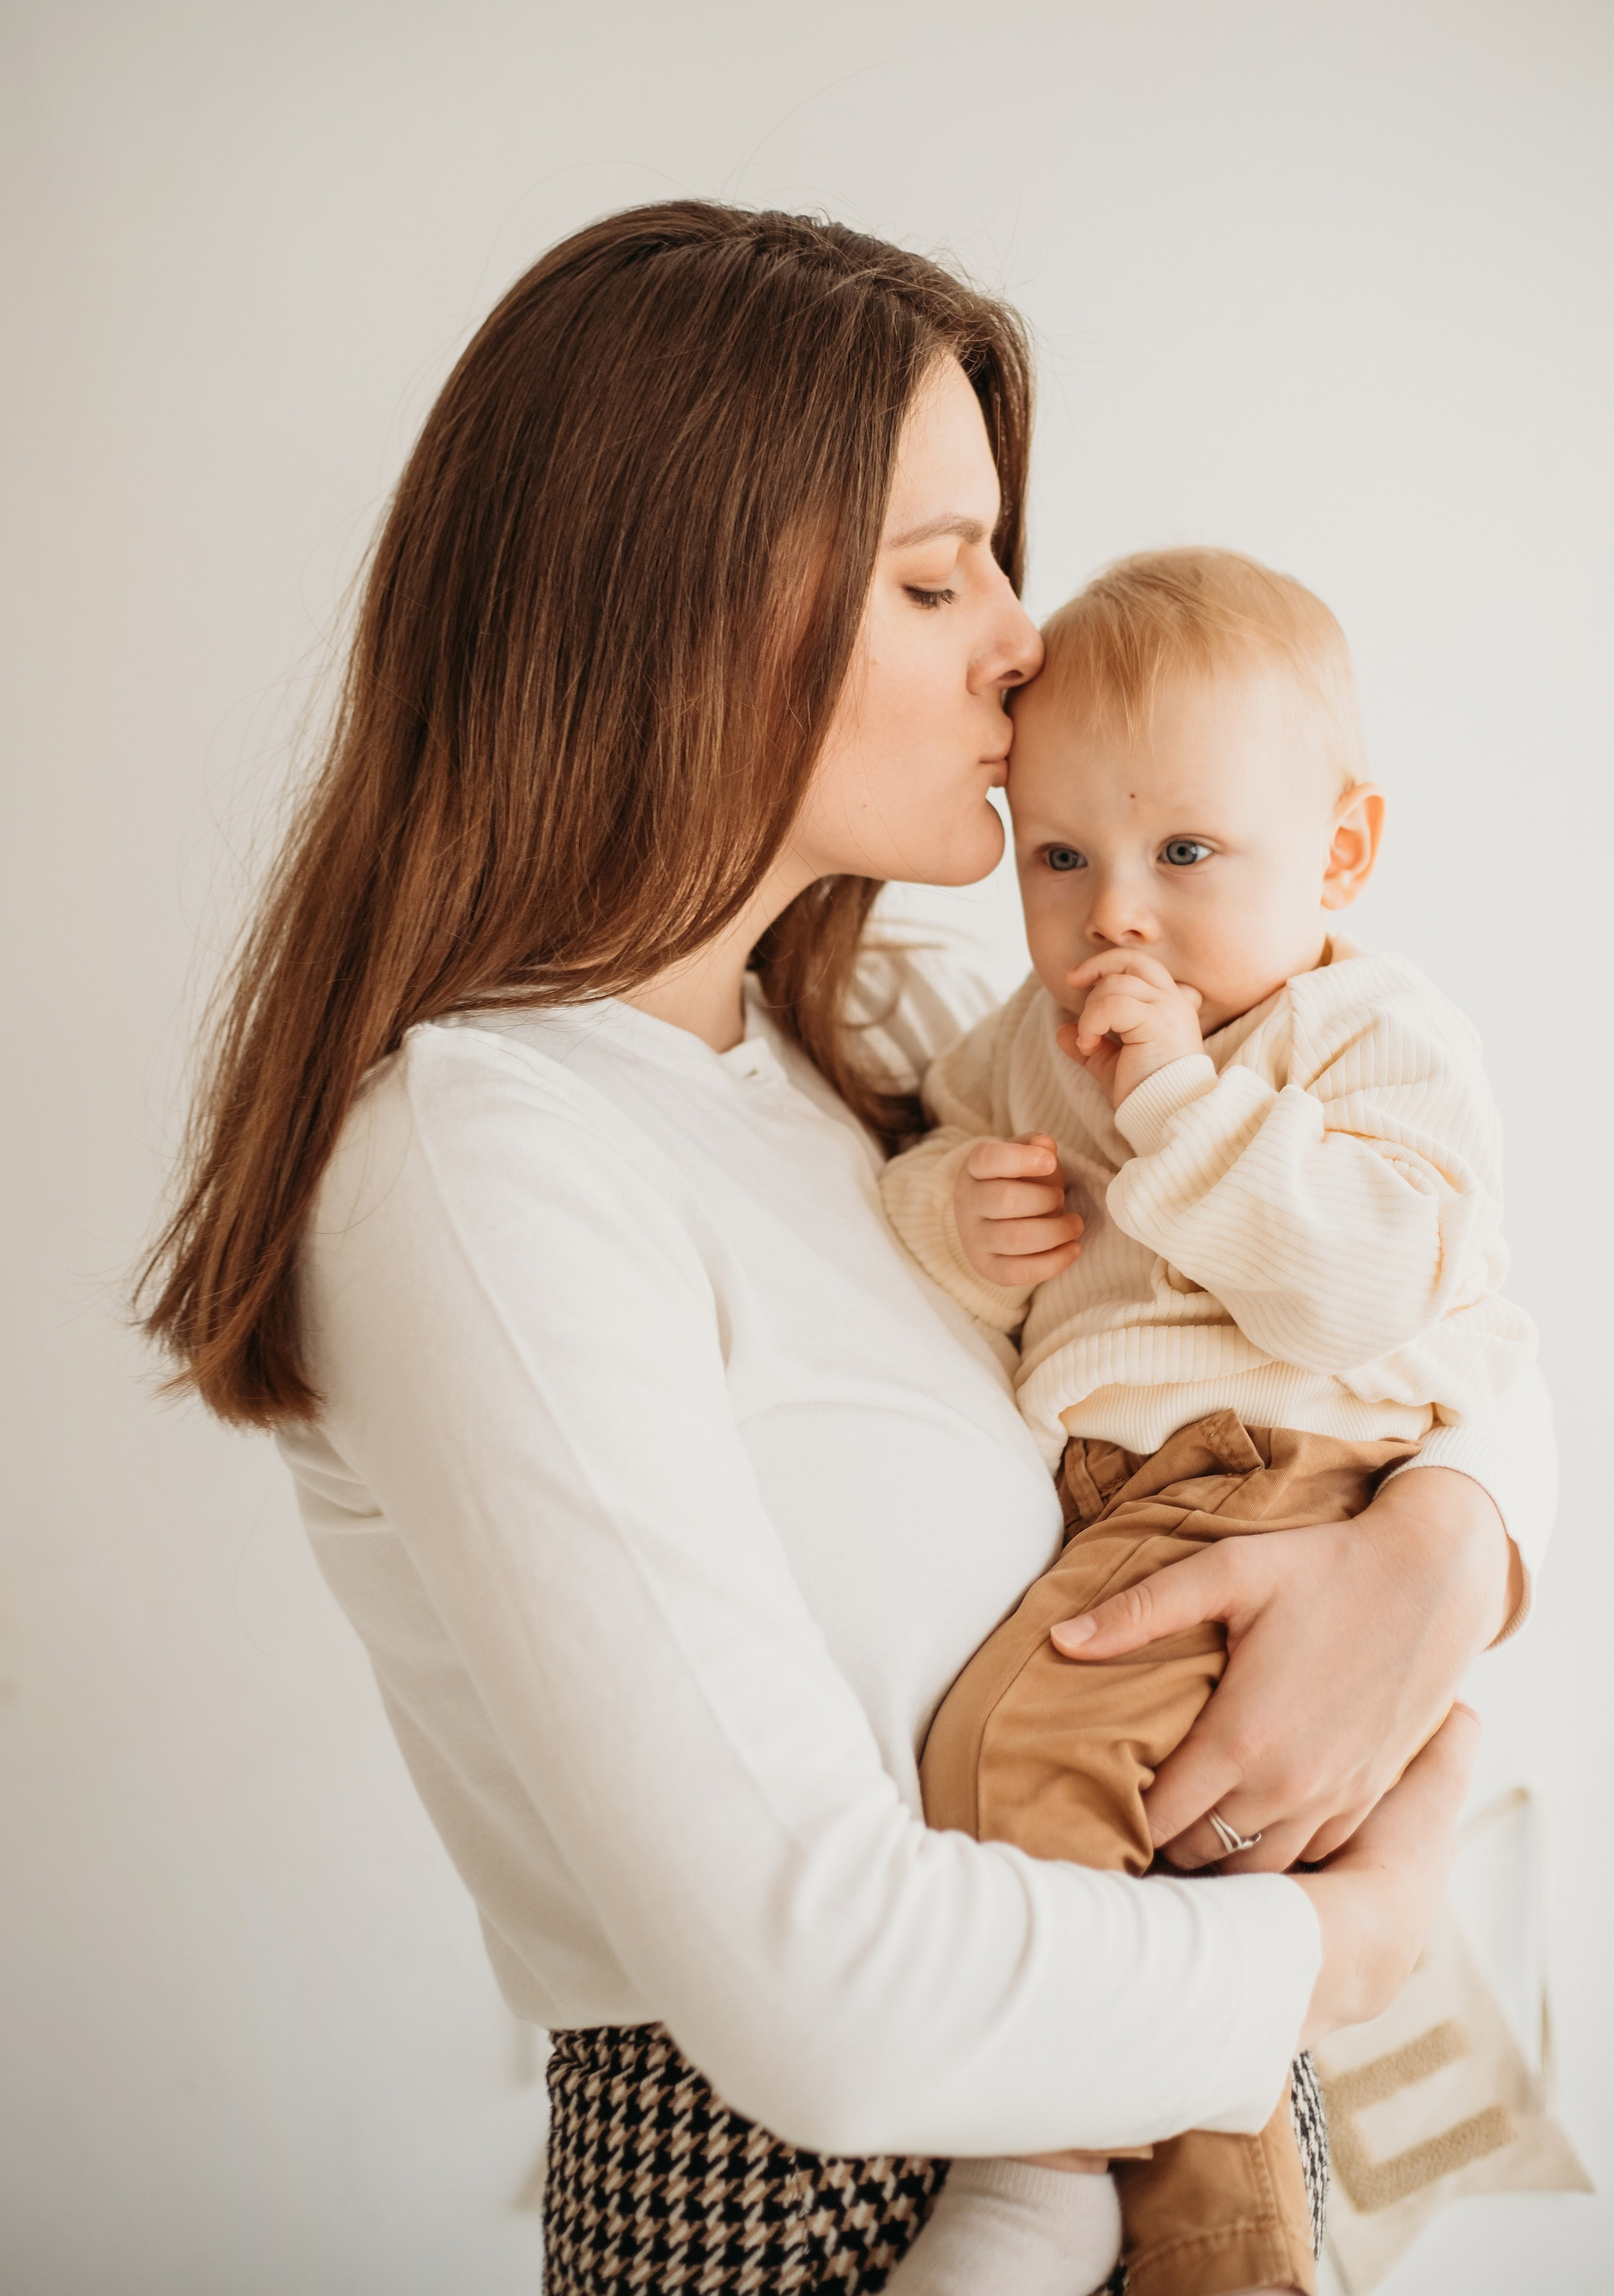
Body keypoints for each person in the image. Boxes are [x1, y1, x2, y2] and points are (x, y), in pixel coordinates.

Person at [139, 204, 1537, 2295]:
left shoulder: (876, 1052)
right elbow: (823, 1982)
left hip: (1164, 2082)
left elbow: (1444, 1277)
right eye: (932, 573)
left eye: (996, 554)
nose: (1018, 640)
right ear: (680, 610)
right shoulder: (484, 1164)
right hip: (819, 2215)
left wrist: (1446, 1542)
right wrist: (1352, 1936)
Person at [880, 547, 1545, 2296]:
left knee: (1041, 1777)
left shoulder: (1368, 1037)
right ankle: (1184, 2203)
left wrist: (1178, 1103)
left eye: (1185, 854)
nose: (1116, 915)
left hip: (1272, 1480)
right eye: (1062, 857)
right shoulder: (1030, 1038)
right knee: (1095, 1832)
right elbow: (933, 1172)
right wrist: (952, 1212)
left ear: (1338, 856)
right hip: (1124, 1496)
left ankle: (1082, 2184)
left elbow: (1373, 1291)